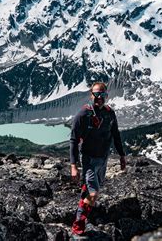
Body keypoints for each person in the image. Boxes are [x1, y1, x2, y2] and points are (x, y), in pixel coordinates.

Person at [69, 81, 126, 236]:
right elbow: (74, 140)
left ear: (106, 95)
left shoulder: (109, 113)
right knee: (94, 194)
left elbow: (115, 135)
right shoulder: (83, 114)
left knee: (90, 190)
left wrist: (122, 155)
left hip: (103, 160)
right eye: (96, 94)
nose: (99, 97)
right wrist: (73, 166)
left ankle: (84, 194)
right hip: (89, 159)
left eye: (102, 94)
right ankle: (78, 225)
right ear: (91, 94)